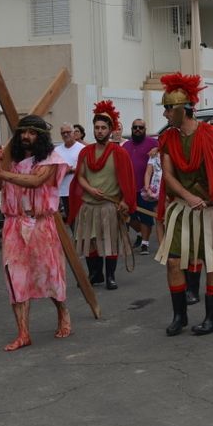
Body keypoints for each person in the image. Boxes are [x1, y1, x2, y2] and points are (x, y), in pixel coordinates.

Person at [154, 73, 213, 336]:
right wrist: (188, 196)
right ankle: (179, 316)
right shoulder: (168, 138)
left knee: (212, 262)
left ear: (183, 108)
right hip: (183, 209)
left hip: (208, 209)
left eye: (169, 108)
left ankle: (211, 319)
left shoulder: (212, 135)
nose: (165, 114)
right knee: (173, 262)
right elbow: (168, 175)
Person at [0, 115, 71, 352]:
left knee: (50, 274)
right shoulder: (9, 160)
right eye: (23, 132)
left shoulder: (51, 159)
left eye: (32, 133)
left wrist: (2, 173)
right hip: (13, 225)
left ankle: (62, 311)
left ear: (41, 136)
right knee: (15, 278)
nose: (26, 137)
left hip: (41, 224)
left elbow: (35, 182)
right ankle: (23, 333)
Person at [69, 101, 136, 291]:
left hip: (109, 205)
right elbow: (79, 177)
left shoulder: (119, 153)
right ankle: (94, 274)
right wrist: (89, 189)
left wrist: (124, 201)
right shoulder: (85, 151)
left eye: (103, 128)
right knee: (90, 243)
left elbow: (127, 181)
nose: (99, 131)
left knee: (109, 242)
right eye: (96, 127)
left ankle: (111, 277)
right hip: (88, 205)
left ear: (110, 130)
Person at [122, 117, 158, 255]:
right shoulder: (126, 146)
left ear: (145, 130)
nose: (138, 130)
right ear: (131, 129)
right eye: (135, 127)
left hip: (145, 188)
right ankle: (139, 232)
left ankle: (145, 243)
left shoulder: (152, 142)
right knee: (128, 214)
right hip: (129, 188)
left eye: (140, 127)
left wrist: (157, 149)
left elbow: (165, 148)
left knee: (145, 216)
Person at [54, 123, 85, 219]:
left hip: (79, 189)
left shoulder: (82, 148)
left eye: (68, 132)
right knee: (69, 218)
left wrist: (70, 170)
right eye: (63, 133)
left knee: (81, 218)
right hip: (63, 190)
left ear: (73, 133)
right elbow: (53, 168)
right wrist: (64, 170)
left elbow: (85, 167)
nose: (66, 134)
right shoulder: (57, 150)